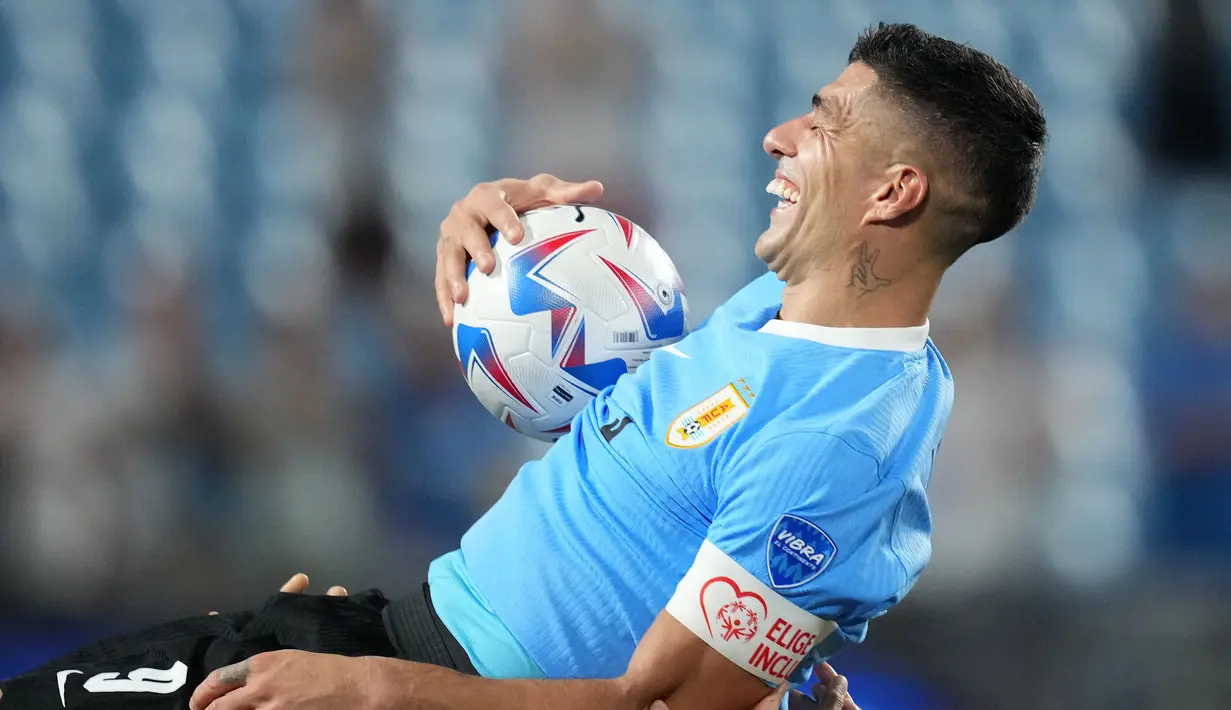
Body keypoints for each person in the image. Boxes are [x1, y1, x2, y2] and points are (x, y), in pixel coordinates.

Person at [0, 23, 1043, 710]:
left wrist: (372, 687)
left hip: (419, 682)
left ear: (894, 191)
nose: (777, 136)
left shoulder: (840, 436)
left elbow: (667, 703)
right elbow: (661, 463)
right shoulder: (786, 317)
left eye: (821, 123)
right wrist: (502, 265)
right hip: (389, 629)